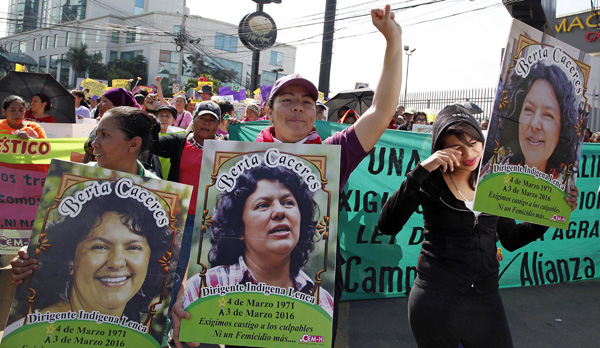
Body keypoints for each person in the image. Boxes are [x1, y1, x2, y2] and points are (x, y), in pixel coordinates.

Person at [171, 5, 403, 347]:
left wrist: (393, 40)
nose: (298, 107)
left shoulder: (333, 153)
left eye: (307, 102)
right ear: (268, 110)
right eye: (288, 99)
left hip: (305, 318)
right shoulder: (233, 161)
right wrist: (186, 298)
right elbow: (204, 242)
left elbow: (382, 111)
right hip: (240, 320)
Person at [377, 104, 579, 348]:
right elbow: (387, 225)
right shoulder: (429, 182)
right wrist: (421, 170)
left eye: (474, 142)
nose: (468, 153)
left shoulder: (493, 182)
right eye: (456, 147)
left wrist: (550, 213)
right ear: (440, 150)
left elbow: (511, 238)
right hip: (435, 298)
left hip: (486, 298)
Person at [6, 182, 173, 341]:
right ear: (70, 260)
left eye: (133, 247)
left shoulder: (137, 337)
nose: (116, 262)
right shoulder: (34, 333)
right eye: (100, 247)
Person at [183, 165, 334, 316]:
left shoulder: (323, 302)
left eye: (288, 202)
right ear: (239, 228)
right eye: (263, 205)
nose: (280, 211)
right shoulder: (201, 289)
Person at [487, 62, 579, 177]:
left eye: (548, 115)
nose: (535, 124)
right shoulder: (500, 161)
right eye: (529, 109)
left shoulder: (567, 181)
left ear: (562, 127)